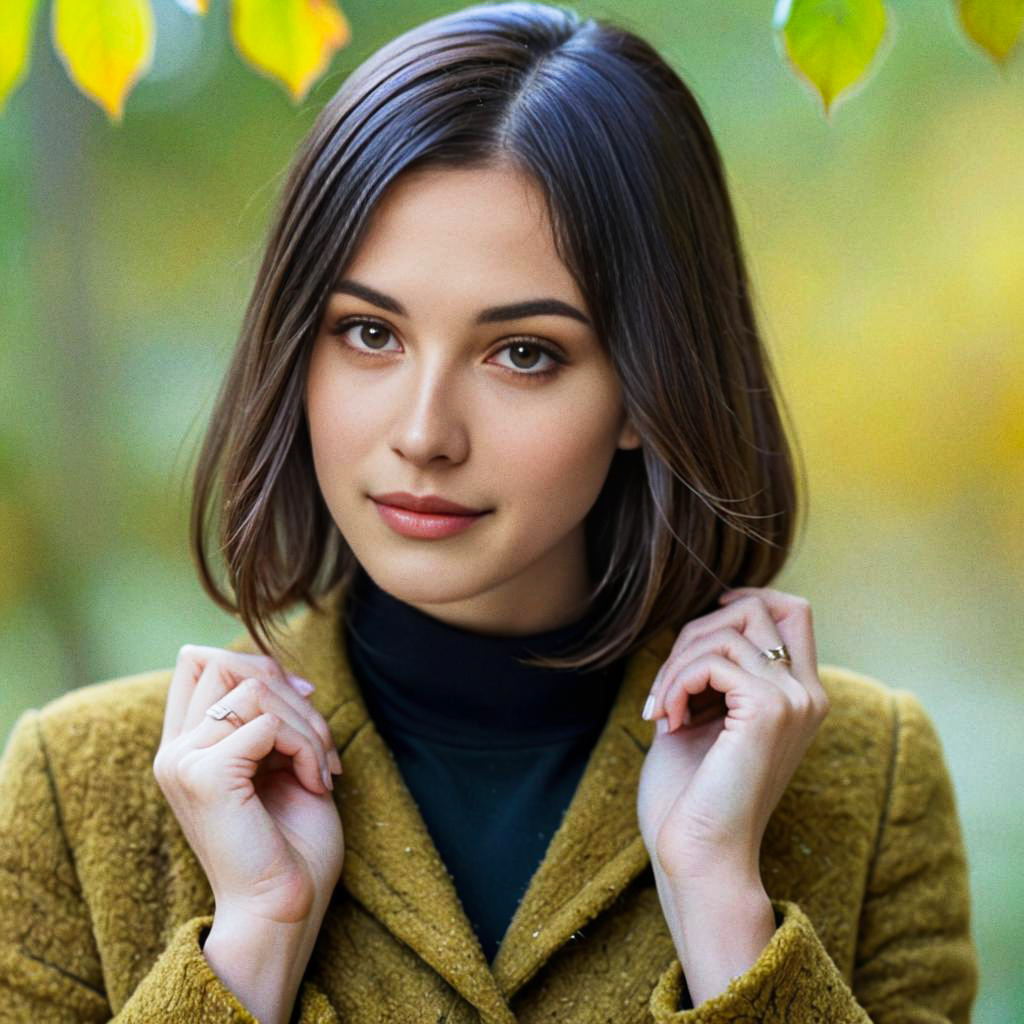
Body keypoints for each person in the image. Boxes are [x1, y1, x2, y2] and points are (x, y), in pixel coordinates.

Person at [0, 2, 978, 1022]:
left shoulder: (866, 781)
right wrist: (256, 936)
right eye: (369, 332)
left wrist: (721, 905)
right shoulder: (82, 788)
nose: (423, 433)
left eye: (524, 353)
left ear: (649, 388)